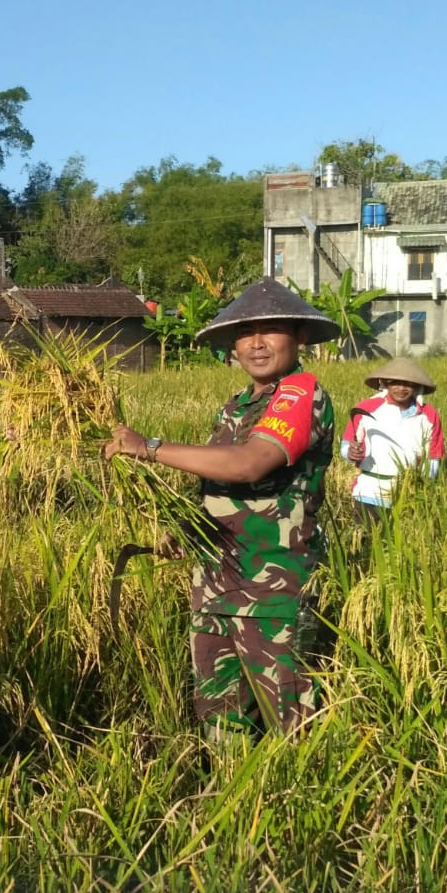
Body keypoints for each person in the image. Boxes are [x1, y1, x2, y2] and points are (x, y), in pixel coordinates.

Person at [104, 280, 339, 737]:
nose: (256, 342)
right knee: (221, 716)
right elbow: (217, 480)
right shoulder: (237, 406)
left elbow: (250, 464)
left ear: (299, 335)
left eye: (269, 329)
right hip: (215, 585)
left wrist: (148, 447)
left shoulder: (299, 394)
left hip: (273, 591)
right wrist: (187, 527)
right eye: (245, 331)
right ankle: (233, 798)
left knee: (291, 723)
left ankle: (299, 802)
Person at [340, 357, 444, 522]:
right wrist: (350, 453)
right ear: (385, 383)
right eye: (394, 382)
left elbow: (433, 457)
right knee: (367, 540)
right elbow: (346, 445)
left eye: (408, 383)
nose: (401, 388)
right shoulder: (366, 408)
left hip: (410, 495)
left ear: (417, 386)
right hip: (369, 491)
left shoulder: (428, 414)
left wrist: (424, 481)